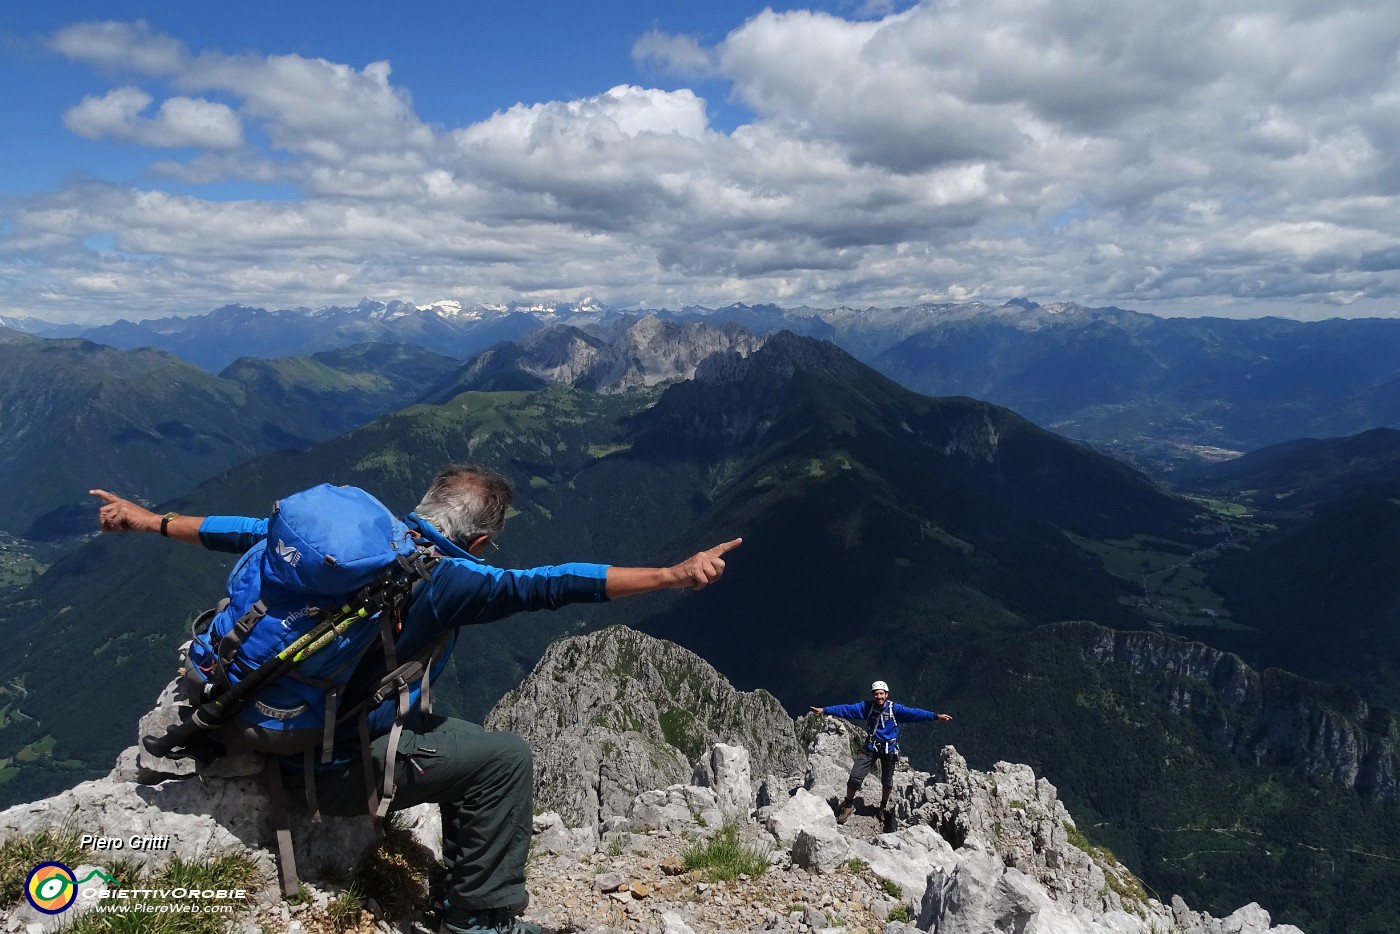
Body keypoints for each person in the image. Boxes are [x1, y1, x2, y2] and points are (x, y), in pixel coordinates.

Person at [92, 465, 741, 934]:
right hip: (325, 770)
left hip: (239, 716)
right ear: (481, 543)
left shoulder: (337, 549)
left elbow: (240, 531)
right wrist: (672, 575)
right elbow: (553, 585)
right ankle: (477, 920)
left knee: (446, 734)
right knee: (502, 760)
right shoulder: (451, 580)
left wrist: (149, 521)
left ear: (422, 504)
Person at [809, 680, 951, 826]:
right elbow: (846, 709)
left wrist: (935, 716)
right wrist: (824, 710)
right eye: (876, 694)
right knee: (854, 777)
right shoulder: (866, 707)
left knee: (887, 782)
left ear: (886, 694)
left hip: (889, 750)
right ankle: (848, 805)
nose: (879, 696)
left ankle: (882, 808)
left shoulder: (896, 710)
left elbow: (914, 713)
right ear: (873, 695)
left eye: (881, 694)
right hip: (871, 747)